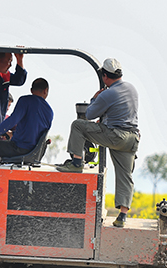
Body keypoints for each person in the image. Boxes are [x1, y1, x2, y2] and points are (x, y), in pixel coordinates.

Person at [56, 58, 139, 228]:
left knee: (77, 125)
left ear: (105, 76)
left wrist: (95, 99)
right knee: (125, 175)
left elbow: (89, 114)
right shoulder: (131, 88)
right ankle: (122, 216)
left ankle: (77, 162)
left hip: (115, 136)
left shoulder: (108, 93)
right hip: (132, 138)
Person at [0, 78, 53, 165]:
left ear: (31, 90)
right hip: (33, 153)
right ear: (46, 91)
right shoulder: (49, 112)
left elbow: (12, 121)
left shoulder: (25, 101)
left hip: (18, 148)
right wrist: (13, 134)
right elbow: (34, 131)